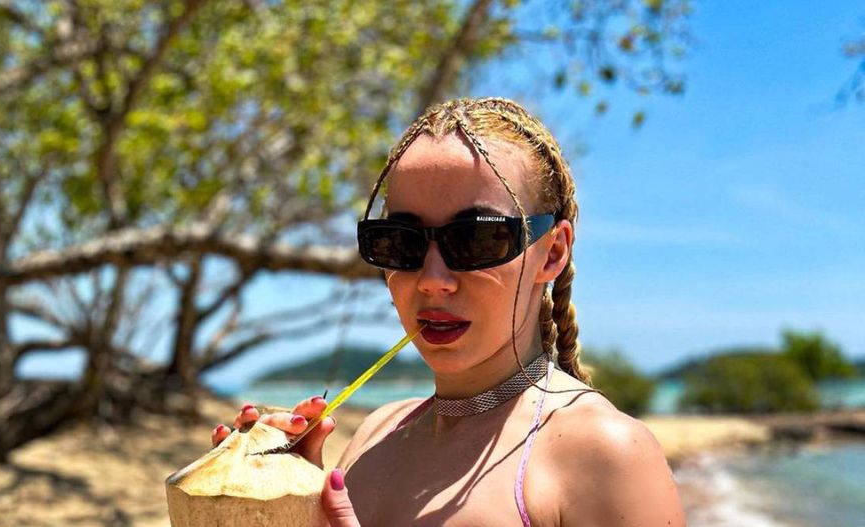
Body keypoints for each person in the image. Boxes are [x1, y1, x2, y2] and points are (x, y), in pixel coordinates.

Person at [211, 97, 686, 526]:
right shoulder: (375, 435)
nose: (432, 278)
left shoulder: (603, 453)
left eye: (476, 239)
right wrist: (283, 505)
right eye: (400, 242)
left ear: (553, 252)